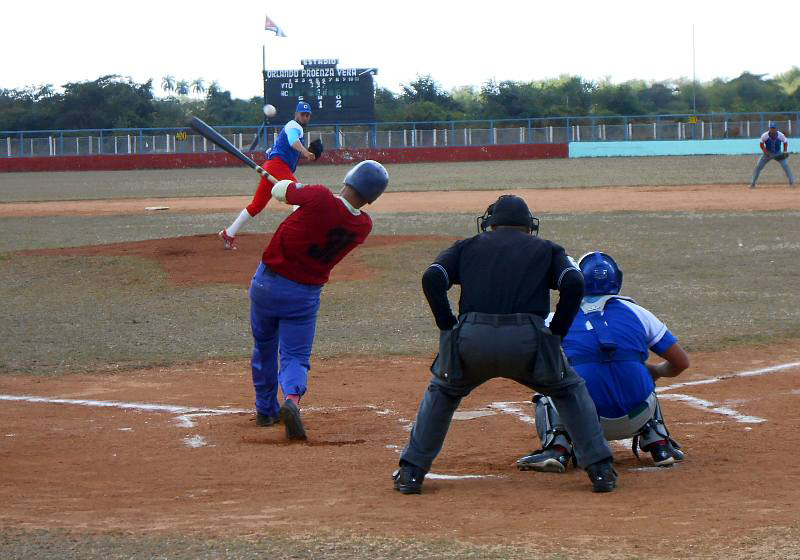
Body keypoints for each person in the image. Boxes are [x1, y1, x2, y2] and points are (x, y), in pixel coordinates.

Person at [393, 195, 617, 495]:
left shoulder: (467, 246)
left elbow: (432, 276)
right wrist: (556, 332)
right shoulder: (547, 248)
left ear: (491, 223)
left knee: (443, 393)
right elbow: (574, 282)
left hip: (472, 338)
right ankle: (601, 471)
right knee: (568, 390)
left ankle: (411, 473)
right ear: (528, 226)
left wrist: (448, 326)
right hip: (529, 339)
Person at [248, 160, 389, 440]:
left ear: (349, 178)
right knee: (295, 356)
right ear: (372, 196)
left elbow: (282, 192)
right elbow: (305, 202)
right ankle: (292, 399)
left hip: (267, 284)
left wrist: (282, 187)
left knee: (264, 348)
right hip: (304, 294)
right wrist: (289, 191)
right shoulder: (363, 225)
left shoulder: (320, 196)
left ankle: (266, 410)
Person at [516, 251, 690, 473]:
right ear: (617, 279)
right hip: (638, 416)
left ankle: (557, 449)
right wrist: (655, 371)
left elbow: (527, 360)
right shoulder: (639, 313)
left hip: (585, 424)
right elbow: (681, 362)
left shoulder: (556, 318)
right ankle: (659, 443)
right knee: (642, 374)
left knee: (549, 386)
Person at [219, 101, 317, 250]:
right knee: (298, 195)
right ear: (296, 114)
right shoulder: (293, 126)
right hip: (278, 166)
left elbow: (273, 151)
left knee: (256, 206)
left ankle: (229, 233)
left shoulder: (293, 129)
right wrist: (305, 152)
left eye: (307, 115)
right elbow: (292, 141)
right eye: (302, 114)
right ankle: (299, 237)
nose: (305, 117)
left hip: (273, 166)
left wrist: (308, 154)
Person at [750, 122, 794, 188]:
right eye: (771, 128)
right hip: (768, 153)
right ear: (769, 128)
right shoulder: (765, 135)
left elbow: (785, 142)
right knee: (758, 166)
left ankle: (792, 183)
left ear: (776, 129)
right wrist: (765, 152)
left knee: (786, 166)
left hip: (778, 153)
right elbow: (761, 144)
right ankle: (753, 183)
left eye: (774, 128)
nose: (772, 129)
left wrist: (785, 151)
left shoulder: (780, 135)